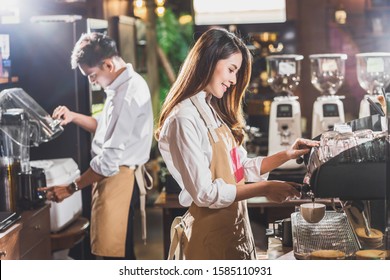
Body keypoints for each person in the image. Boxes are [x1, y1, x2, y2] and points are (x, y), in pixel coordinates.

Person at [155, 28, 318, 260]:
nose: (233, 81)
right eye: (231, 70)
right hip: (208, 241)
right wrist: (265, 188)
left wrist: (287, 154)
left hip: (236, 231)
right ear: (209, 60)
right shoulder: (183, 118)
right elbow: (205, 193)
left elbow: (240, 168)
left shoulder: (212, 110)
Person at [40, 32, 153, 260]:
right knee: (118, 255)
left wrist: (71, 187)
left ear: (108, 64)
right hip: (113, 177)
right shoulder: (120, 85)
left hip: (118, 179)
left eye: (92, 75)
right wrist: (72, 116)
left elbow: (109, 160)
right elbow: (105, 128)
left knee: (117, 259)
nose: (91, 81)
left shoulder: (126, 95)